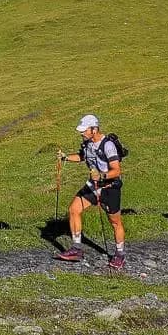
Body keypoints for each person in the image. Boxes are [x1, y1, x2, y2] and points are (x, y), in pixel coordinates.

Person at [56, 114, 126, 269]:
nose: (82, 133)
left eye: (84, 130)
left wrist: (101, 175)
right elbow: (82, 156)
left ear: (94, 130)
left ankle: (119, 254)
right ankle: (76, 249)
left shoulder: (108, 145)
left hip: (109, 187)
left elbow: (116, 170)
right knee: (74, 209)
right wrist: (66, 157)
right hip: (93, 186)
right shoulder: (87, 144)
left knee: (115, 222)